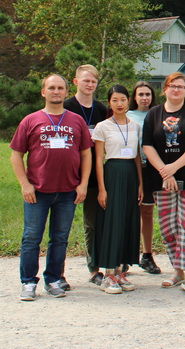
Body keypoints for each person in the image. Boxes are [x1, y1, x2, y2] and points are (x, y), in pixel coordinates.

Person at [12, 74, 92, 301]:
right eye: (51, 88)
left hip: (67, 191)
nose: (56, 91)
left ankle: (54, 279)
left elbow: (86, 154)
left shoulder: (76, 121)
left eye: (60, 88)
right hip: (37, 191)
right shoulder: (30, 120)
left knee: (59, 238)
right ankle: (28, 282)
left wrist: (83, 184)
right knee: (31, 238)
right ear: (43, 92)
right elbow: (16, 155)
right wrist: (25, 184)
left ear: (66, 92)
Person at [142, 72, 185, 295]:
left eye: (181, 86)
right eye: (173, 86)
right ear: (165, 89)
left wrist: (174, 167)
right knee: (168, 228)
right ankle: (177, 270)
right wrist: (165, 171)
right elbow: (147, 145)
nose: (177, 90)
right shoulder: (154, 114)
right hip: (162, 180)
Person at [92, 85, 143, 294]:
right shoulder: (102, 127)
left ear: (128, 100)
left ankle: (121, 271)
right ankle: (108, 274)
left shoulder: (135, 126)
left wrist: (140, 183)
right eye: (115, 100)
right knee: (112, 222)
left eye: (122, 99)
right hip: (112, 174)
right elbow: (98, 158)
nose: (119, 104)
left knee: (128, 221)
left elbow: (137, 156)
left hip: (131, 174)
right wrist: (102, 189)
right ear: (109, 103)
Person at [63, 64, 107, 286]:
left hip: (93, 173)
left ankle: (94, 268)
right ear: (76, 82)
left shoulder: (101, 109)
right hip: (68, 171)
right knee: (62, 226)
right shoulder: (66, 107)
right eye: (86, 81)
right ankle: (58, 273)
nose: (90, 85)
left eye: (93, 81)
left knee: (92, 223)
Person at [127, 81, 162, 275]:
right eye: (140, 94)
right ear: (134, 97)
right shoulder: (127, 115)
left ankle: (147, 254)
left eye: (148, 94)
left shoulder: (158, 114)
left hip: (153, 168)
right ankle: (124, 255)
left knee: (147, 211)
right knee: (128, 212)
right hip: (131, 167)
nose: (144, 98)